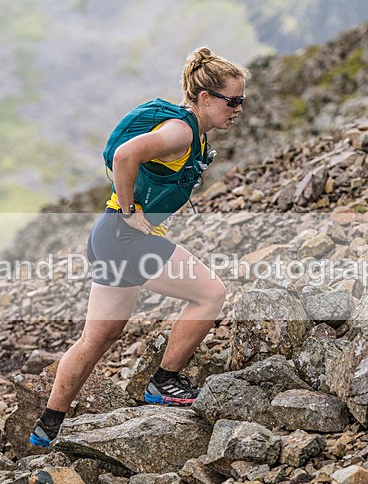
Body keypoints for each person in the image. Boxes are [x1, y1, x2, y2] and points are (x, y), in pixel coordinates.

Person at [29, 47, 250, 448]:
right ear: (205, 98)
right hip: (125, 236)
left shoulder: (193, 134)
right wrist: (131, 210)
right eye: (232, 101)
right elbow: (125, 154)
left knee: (99, 338)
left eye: (242, 101)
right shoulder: (182, 131)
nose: (238, 109)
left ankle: (47, 428)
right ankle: (165, 382)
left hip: (109, 236)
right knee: (210, 294)